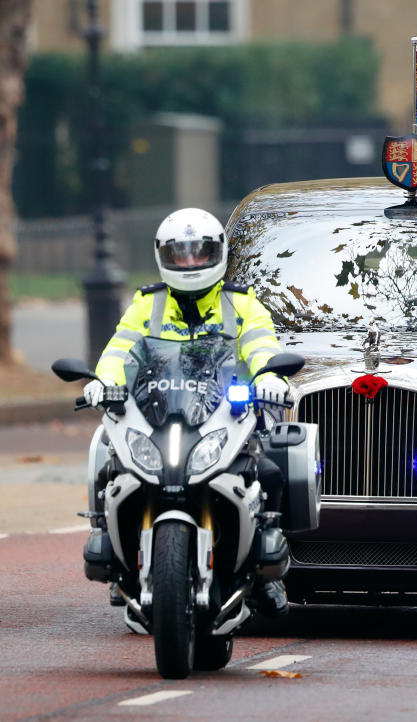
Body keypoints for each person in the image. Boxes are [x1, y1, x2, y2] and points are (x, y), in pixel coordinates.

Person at [83, 208, 291, 616]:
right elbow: (119, 349)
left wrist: (270, 376)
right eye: (181, 254)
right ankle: (120, 563)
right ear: (164, 256)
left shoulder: (243, 304)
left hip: (224, 415)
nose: (191, 263)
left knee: (269, 472)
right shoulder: (147, 304)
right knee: (111, 468)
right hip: (160, 412)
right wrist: (102, 380)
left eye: (200, 252)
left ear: (219, 253)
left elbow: (262, 346)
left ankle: (267, 576)